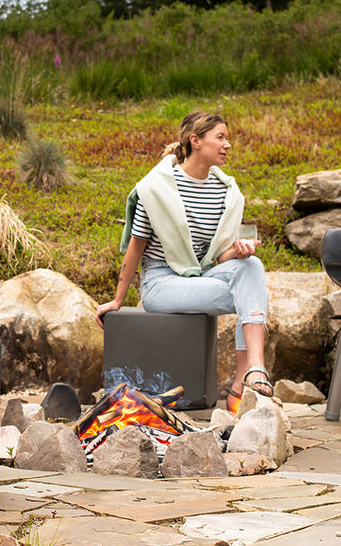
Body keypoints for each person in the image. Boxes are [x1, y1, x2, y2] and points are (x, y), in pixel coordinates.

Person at [95, 111, 271, 413]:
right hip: (161, 283)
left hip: (200, 277)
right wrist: (117, 300)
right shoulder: (157, 188)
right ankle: (241, 387)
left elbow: (218, 256)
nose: (228, 144)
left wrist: (238, 251)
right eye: (221, 137)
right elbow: (135, 247)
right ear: (196, 141)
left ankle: (252, 369)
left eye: (227, 138)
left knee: (252, 268)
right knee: (253, 295)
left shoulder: (224, 191)